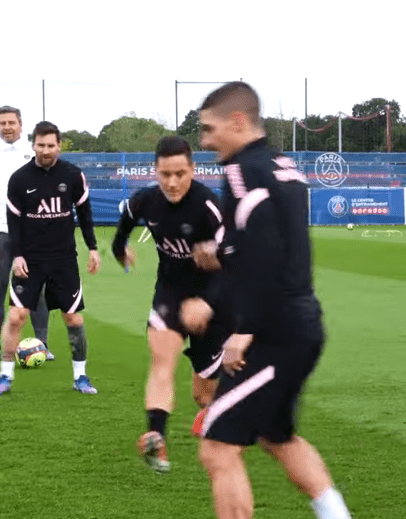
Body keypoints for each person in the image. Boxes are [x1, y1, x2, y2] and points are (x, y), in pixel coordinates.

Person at [191, 82, 352, 519]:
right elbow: (260, 238)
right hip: (299, 325)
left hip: (275, 334)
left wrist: (243, 329)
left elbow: (264, 252)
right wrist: (220, 253)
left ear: (238, 121)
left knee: (218, 447)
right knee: (276, 437)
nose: (205, 141)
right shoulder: (283, 165)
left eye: (209, 129)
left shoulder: (242, 171)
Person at [111, 135, 226, 473]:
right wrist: (121, 251)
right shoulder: (146, 201)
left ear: (193, 169)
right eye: (165, 174)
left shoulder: (209, 207)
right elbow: (123, 228)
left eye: (180, 173)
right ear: (155, 171)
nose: (172, 182)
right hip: (170, 295)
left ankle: (224, 413)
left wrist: (207, 302)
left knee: (204, 395)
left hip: (212, 304)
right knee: (162, 362)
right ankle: (156, 437)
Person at [0, 121, 100, 396]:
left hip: (64, 259)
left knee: (73, 319)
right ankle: (4, 376)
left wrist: (93, 248)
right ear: (33, 145)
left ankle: (81, 376)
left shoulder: (74, 176)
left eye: (51, 145)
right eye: (41, 145)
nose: (46, 150)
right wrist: (17, 256)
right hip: (31, 259)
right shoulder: (20, 179)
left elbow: (84, 215)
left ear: (59, 146)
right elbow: (13, 222)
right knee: (16, 317)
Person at [0, 106, 51, 362]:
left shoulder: (34, 153)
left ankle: (41, 344)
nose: (7, 127)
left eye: (11, 122)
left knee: (36, 289)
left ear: (20, 124)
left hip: (32, 232)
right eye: (2, 123)